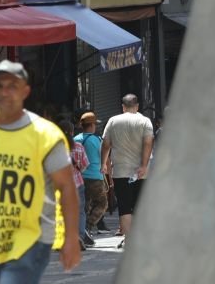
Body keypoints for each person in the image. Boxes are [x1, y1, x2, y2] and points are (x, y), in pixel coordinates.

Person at [0, 60, 80, 284]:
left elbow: (67, 188)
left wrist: (71, 237)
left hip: (30, 239)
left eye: (13, 86)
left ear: (25, 91)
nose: (5, 92)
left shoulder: (45, 135)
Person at [101, 94, 154, 249]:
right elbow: (148, 142)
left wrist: (103, 163)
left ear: (123, 107)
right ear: (136, 106)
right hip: (141, 172)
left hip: (120, 171)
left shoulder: (113, 121)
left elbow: (106, 144)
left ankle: (129, 239)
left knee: (125, 207)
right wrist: (144, 165)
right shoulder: (145, 121)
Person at [73, 112, 107, 238]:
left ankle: (82, 229)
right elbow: (103, 155)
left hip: (80, 177)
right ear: (92, 125)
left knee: (85, 205)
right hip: (95, 176)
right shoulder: (96, 140)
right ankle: (88, 225)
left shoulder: (75, 139)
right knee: (102, 203)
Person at [58, 119, 91, 249]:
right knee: (79, 212)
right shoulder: (78, 146)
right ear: (72, 132)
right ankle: (79, 237)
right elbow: (84, 166)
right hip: (77, 184)